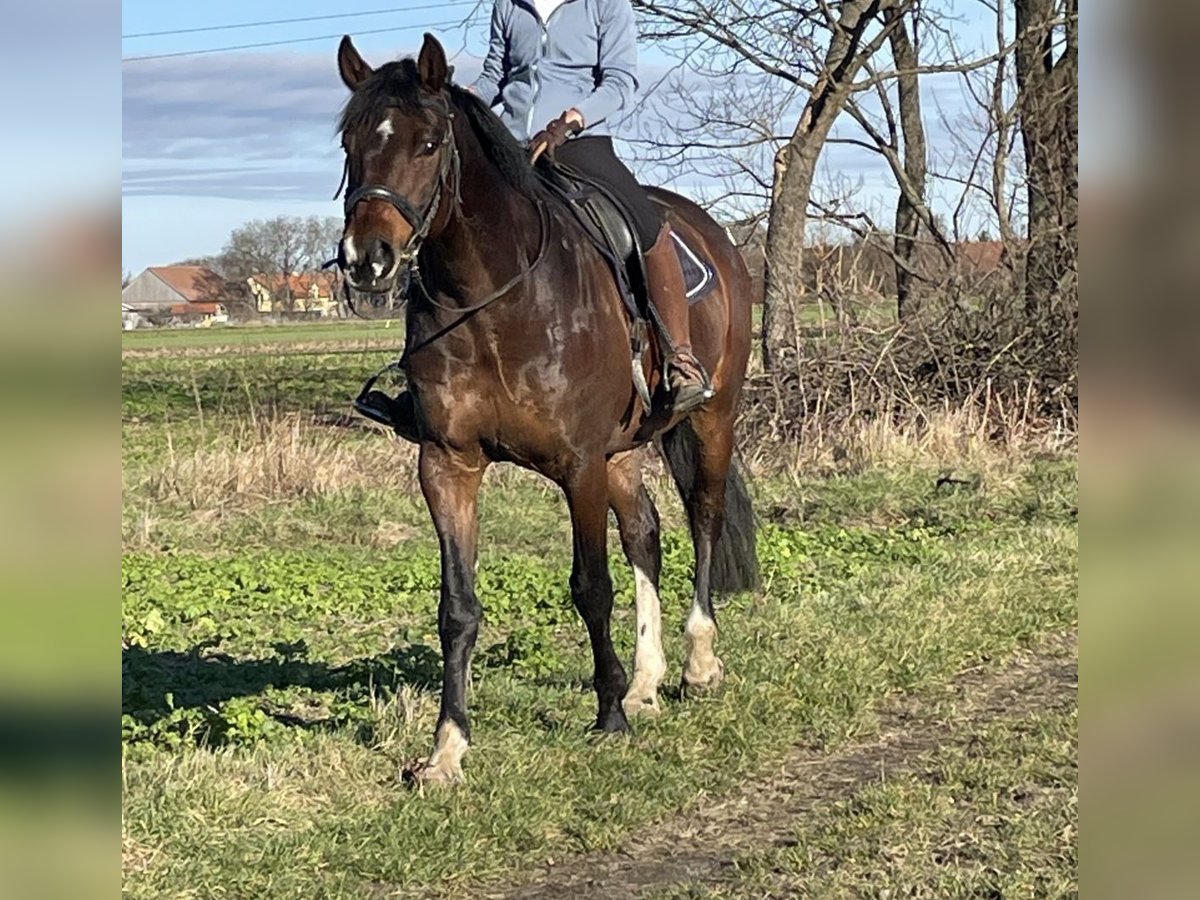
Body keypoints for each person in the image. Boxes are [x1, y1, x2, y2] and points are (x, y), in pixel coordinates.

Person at [357, 0, 711, 436]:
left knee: (646, 227)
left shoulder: (605, 4)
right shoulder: (508, 5)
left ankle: (681, 359)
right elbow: (496, 74)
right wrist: (459, 103)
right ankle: (421, 379)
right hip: (511, 143)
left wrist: (572, 120)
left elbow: (619, 81)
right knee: (445, 226)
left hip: (580, 144)